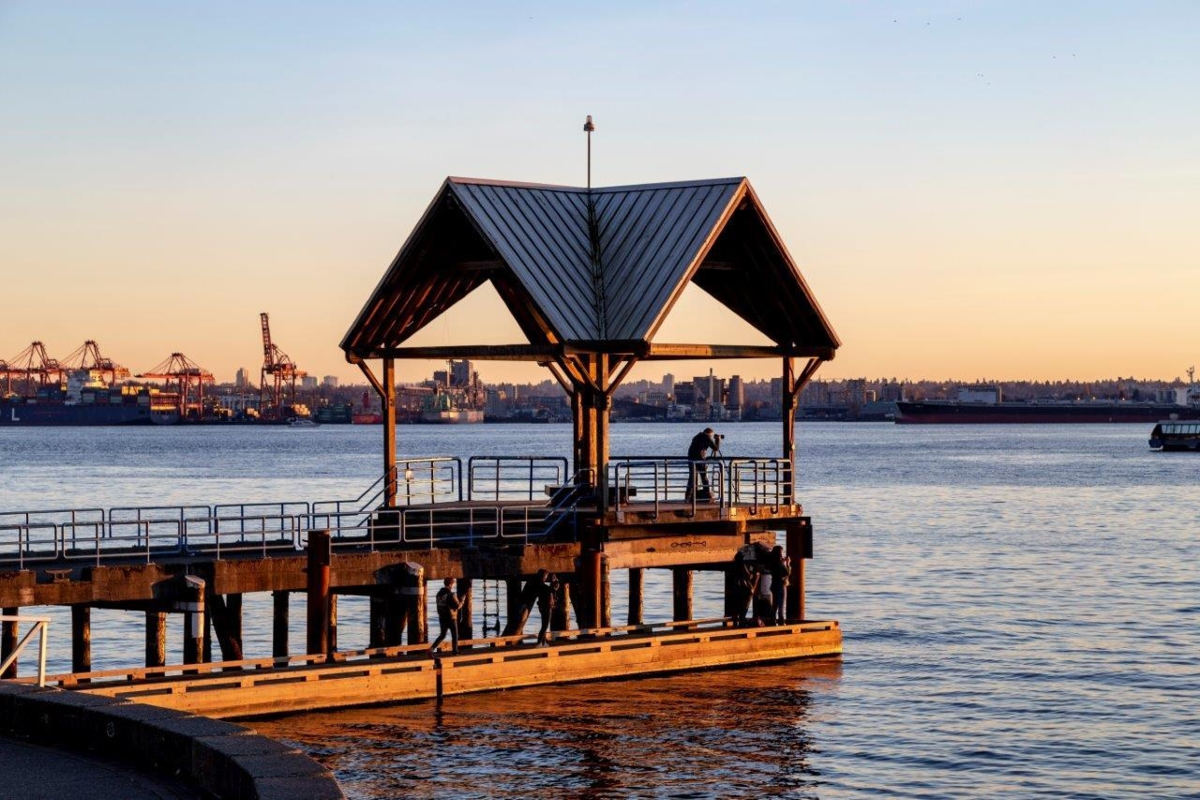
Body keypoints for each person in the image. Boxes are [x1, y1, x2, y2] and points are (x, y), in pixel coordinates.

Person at [429, 577, 464, 656]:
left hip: (442, 617)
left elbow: (444, 604)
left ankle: (431, 648)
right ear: (451, 584)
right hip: (451, 617)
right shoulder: (451, 594)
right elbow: (457, 606)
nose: (453, 585)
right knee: (455, 635)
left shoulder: (439, 594)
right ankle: (455, 651)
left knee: (442, 635)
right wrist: (462, 600)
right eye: (453, 583)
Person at [686, 428, 720, 500]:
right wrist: (718, 440)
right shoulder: (707, 437)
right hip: (699, 459)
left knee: (692, 478)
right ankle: (707, 494)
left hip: (691, 459)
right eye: (711, 435)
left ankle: (688, 496)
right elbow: (715, 448)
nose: (711, 437)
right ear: (709, 433)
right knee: (704, 477)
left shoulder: (697, 436)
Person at [534, 569, 560, 646]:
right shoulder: (543, 586)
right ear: (543, 576)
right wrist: (555, 583)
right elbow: (551, 590)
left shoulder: (540, 585)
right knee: (544, 626)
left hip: (544, 607)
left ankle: (543, 642)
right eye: (546, 575)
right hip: (546, 607)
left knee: (544, 625)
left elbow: (551, 590)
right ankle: (538, 643)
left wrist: (554, 584)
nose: (546, 577)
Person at [770, 545, 790, 624]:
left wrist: (783, 562)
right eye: (782, 552)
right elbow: (787, 573)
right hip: (780, 585)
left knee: (775, 605)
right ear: (780, 553)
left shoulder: (773, 562)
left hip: (774, 585)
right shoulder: (779, 563)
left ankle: (772, 621)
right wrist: (788, 563)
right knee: (781, 605)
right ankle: (781, 621)